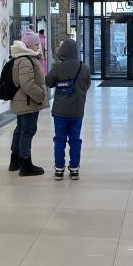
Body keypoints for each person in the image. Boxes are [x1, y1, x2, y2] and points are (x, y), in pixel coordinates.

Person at [45, 39, 91, 180]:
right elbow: (87, 85)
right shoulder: (84, 68)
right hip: (77, 111)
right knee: (75, 140)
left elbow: (49, 82)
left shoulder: (58, 67)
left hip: (60, 111)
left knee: (59, 140)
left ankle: (59, 170)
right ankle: (74, 169)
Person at [9, 29, 49, 177]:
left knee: (20, 129)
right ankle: (25, 164)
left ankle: (15, 161)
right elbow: (27, 84)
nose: (38, 46)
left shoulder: (21, 57)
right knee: (27, 131)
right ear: (29, 45)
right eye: (36, 44)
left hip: (23, 101)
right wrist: (41, 95)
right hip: (28, 102)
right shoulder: (25, 60)